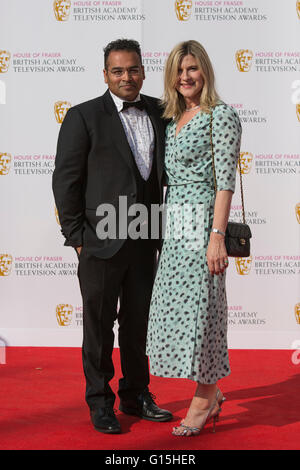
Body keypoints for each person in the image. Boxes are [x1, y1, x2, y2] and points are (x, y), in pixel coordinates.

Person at [52, 39, 172, 434]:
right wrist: (77, 236)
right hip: (100, 241)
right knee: (100, 328)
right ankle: (100, 401)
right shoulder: (83, 116)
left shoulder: (160, 110)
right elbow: (66, 181)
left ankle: (136, 395)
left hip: (145, 237)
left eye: (133, 69)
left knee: (138, 326)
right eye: (118, 71)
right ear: (105, 74)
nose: (126, 77)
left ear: (143, 70)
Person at [146, 40, 242, 437]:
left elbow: (225, 183)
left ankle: (203, 398)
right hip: (176, 226)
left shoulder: (220, 116)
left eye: (193, 69)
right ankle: (212, 390)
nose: (186, 77)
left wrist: (216, 236)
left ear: (205, 71)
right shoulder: (174, 118)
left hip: (204, 223)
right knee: (177, 311)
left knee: (205, 309)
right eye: (179, 70)